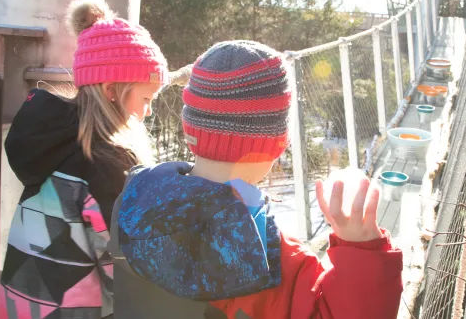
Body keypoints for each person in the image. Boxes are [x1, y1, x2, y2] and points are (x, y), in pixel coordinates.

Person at [109, 40, 404, 319]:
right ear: (277, 142)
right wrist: (362, 251)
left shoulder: (132, 199)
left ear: (191, 127)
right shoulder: (271, 258)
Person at [0, 0, 185, 319]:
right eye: (145, 97)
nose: (148, 110)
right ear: (112, 90)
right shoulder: (105, 167)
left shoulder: (53, 145)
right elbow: (131, 280)